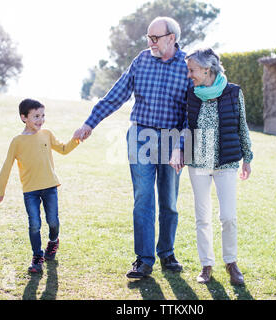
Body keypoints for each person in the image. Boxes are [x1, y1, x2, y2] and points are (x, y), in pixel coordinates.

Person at [74, 17, 190, 279]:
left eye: (155, 38)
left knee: (169, 201)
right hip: (140, 135)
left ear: (171, 38)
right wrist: (89, 123)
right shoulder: (141, 60)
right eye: (148, 38)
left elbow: (190, 115)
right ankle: (144, 259)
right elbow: (116, 95)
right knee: (143, 199)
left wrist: (181, 147)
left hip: (173, 139)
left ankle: (167, 252)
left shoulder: (187, 66)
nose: (150, 42)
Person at [170, 48, 253, 285]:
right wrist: (180, 150)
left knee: (228, 217)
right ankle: (206, 265)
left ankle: (231, 262)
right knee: (202, 217)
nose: (189, 75)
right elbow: (183, 125)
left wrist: (247, 158)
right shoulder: (191, 93)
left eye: (192, 70)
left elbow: (242, 125)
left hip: (226, 162)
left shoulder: (233, 92)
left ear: (207, 69)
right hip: (198, 163)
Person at [0, 99, 80, 273]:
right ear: (24, 117)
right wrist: (0, 191)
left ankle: (53, 242)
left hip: (50, 187)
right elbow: (7, 165)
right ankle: (37, 257)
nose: (40, 120)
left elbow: (63, 149)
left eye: (42, 115)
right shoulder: (17, 141)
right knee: (34, 224)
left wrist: (76, 139)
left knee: (53, 221)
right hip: (30, 190)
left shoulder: (46, 134)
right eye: (36, 116)